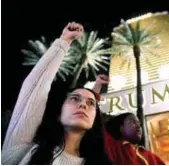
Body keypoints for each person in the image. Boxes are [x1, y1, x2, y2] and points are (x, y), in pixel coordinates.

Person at [2, 22, 110, 165]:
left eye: (90, 104)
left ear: (95, 118)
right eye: (74, 99)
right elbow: (34, 89)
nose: (83, 104)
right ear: (59, 115)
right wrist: (64, 41)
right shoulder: (23, 151)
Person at [93, 79, 166, 165]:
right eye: (133, 122)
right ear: (121, 128)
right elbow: (95, 117)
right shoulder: (114, 148)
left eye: (139, 123)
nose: (138, 126)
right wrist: (97, 87)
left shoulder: (151, 156)